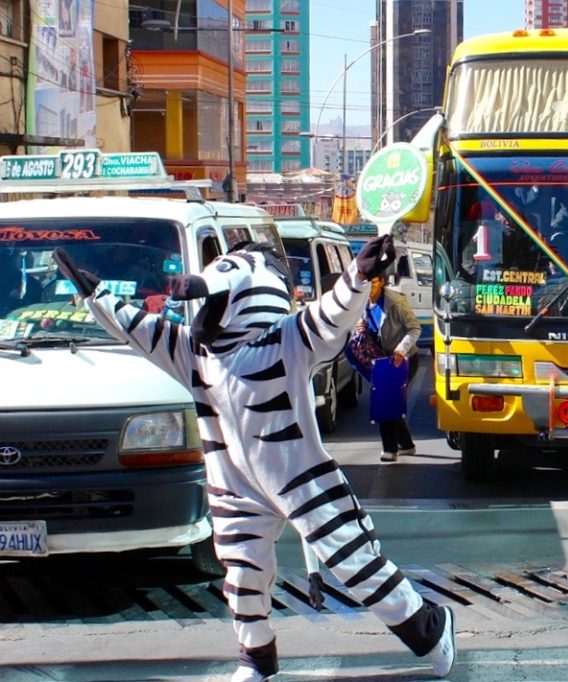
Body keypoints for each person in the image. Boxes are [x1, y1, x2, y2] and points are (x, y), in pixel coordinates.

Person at [52, 236, 456, 682]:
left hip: (302, 481)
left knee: (354, 563)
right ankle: (256, 659)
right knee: (243, 577)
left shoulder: (286, 339)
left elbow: (332, 316)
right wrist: (97, 296)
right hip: (235, 487)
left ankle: (430, 627)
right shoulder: (195, 353)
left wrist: (357, 277)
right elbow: (140, 330)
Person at [357, 273, 422, 462]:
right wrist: (360, 326)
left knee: (385, 399)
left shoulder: (395, 302)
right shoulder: (361, 301)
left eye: (373, 283)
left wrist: (402, 349)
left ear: (382, 282)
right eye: (366, 283)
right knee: (388, 400)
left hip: (404, 359)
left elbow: (415, 328)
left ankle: (390, 449)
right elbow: (366, 328)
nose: (369, 287)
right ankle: (407, 445)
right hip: (381, 360)